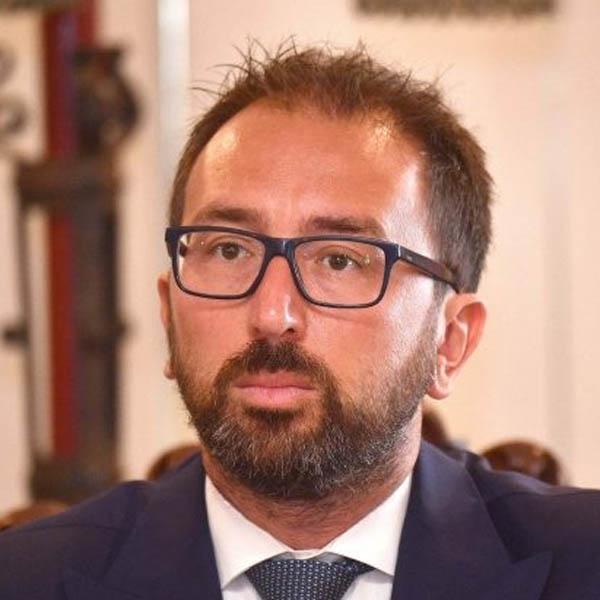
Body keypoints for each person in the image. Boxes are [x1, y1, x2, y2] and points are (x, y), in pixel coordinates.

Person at [1, 42, 599, 600]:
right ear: (168, 314)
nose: (272, 315)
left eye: (340, 260)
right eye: (229, 250)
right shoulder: (25, 578)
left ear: (450, 340)